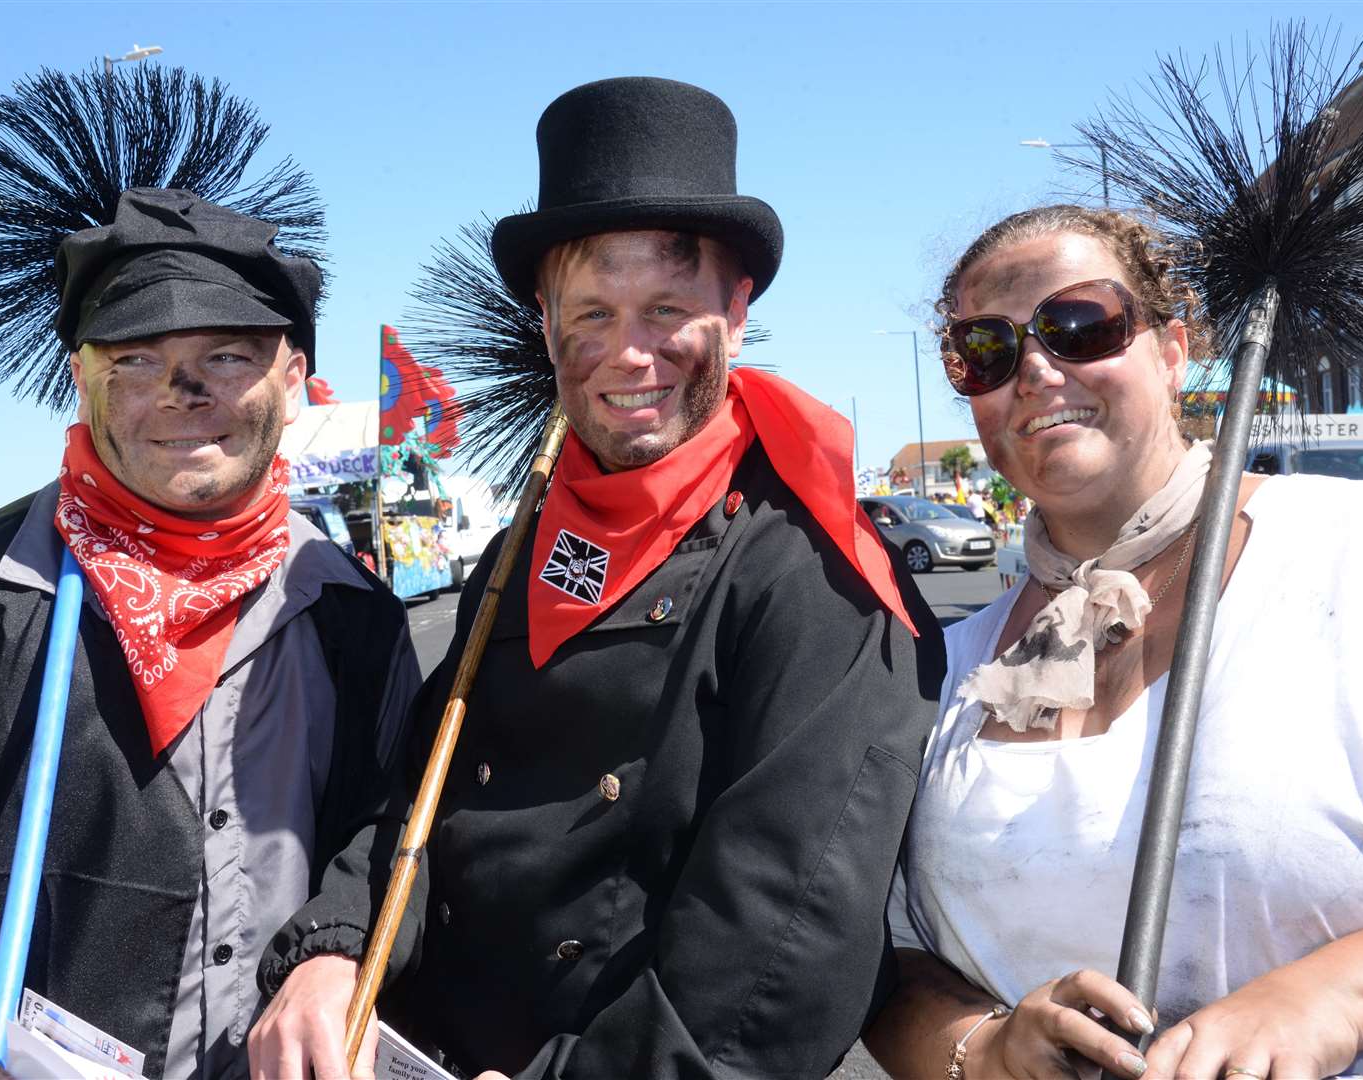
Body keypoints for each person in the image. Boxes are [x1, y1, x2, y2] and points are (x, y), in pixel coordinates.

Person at [250, 76, 945, 1080]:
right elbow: (419, 795)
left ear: (736, 312)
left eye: (666, 309)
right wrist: (333, 950)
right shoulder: (526, 536)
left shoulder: (817, 575)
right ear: (543, 324)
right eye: (591, 314)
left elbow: (778, 951)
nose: (629, 355)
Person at [0, 189, 421, 1080]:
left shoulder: (354, 614)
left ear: (293, 383)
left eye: (225, 354)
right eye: (136, 358)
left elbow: (392, 830)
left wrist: (337, 950)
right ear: (79, 376)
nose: (183, 394)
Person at [863, 205, 1363, 1079]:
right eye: (987, 350)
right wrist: (983, 1051)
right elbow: (888, 966)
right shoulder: (942, 665)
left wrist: (1340, 996)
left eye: (1082, 325)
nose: (1038, 371)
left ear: (1173, 352)